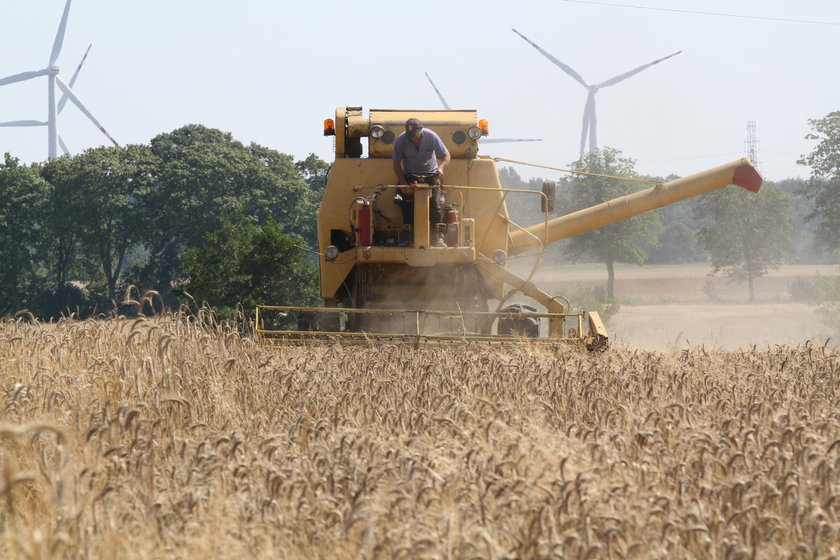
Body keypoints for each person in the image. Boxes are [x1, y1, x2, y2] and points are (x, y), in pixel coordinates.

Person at [392, 118, 451, 247]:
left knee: (436, 206)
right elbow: (396, 164)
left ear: (421, 130)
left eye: (415, 136)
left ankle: (438, 238)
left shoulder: (432, 136)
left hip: (431, 175)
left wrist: (441, 168)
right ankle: (408, 238)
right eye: (410, 137)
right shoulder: (401, 140)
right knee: (406, 206)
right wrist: (403, 183)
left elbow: (446, 155)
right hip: (410, 176)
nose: (413, 139)